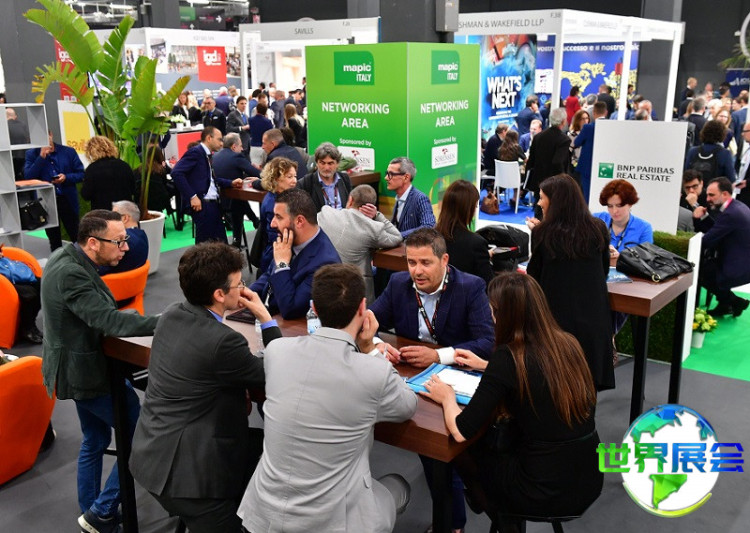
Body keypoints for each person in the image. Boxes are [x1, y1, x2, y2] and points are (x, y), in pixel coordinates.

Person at [238, 263, 416, 532]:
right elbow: (407, 406)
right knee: (398, 486)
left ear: (314, 309)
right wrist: (370, 348)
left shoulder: (277, 352)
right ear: (363, 308)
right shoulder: (374, 371)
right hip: (332, 522)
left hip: (262, 515)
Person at [421, 272, 602, 522]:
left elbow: (461, 431)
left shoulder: (508, 357)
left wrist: (447, 397)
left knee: (461, 451)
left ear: (503, 315)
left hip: (541, 490)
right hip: (589, 478)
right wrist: (487, 366)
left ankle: (495, 512)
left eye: (493, 312)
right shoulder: (568, 344)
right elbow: (539, 371)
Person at [130, 242, 280, 533]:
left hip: (151, 456)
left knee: (257, 446)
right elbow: (274, 372)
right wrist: (265, 318)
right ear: (219, 294)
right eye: (239, 284)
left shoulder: (171, 314)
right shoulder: (224, 342)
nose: (243, 289)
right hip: (190, 479)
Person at [40, 210, 159, 533]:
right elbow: (108, 321)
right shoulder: (71, 273)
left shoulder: (67, 257)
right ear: (93, 243)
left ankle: (91, 514)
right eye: (119, 242)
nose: (126, 247)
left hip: (78, 367)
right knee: (142, 437)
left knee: (95, 438)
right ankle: (102, 511)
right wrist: (167, 321)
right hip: (85, 372)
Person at [369, 227, 494, 533]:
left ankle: (453, 522)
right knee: (431, 450)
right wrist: (378, 344)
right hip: (412, 381)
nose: (417, 271)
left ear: (444, 261)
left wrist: (439, 356)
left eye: (425, 262)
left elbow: (487, 343)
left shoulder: (470, 287)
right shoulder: (398, 283)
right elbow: (369, 320)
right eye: (411, 262)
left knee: (443, 453)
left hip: (456, 380)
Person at [526, 174, 614, 391]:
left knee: (555, 388)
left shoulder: (542, 233)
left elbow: (533, 278)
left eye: (542, 197)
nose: (539, 203)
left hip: (555, 325)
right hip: (594, 322)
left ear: (556, 201)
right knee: (588, 387)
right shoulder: (598, 228)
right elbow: (603, 270)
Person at [250, 188, 341, 319]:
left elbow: (291, 309)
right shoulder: (290, 241)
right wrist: (247, 294)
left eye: (279, 217)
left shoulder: (325, 263)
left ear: (299, 221)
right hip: (266, 316)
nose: (272, 224)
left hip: (291, 326)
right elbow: (269, 276)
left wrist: (282, 264)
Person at [318, 184, 402, 303]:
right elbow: (397, 237)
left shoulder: (326, 213)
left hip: (324, 283)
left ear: (350, 199)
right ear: (371, 207)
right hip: (356, 291)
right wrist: (377, 215)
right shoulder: (373, 228)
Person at [171, 126, 243, 244]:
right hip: (204, 206)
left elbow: (210, 180)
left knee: (220, 245)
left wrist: (230, 183)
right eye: (219, 139)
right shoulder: (196, 152)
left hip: (213, 206)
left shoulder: (206, 155)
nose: (222, 143)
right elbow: (176, 173)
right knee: (206, 247)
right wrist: (192, 196)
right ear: (209, 138)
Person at [693, 177, 750, 317]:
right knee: (707, 269)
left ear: (725, 194)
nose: (707, 199)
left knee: (701, 272)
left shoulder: (731, 214)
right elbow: (717, 230)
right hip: (739, 259)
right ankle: (729, 304)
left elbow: (707, 241)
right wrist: (704, 217)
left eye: (711, 195)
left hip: (739, 266)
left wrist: (695, 215)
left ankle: (734, 302)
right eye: (707, 195)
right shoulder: (736, 206)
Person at [24, 131, 85, 251]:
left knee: (76, 235)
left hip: (67, 199)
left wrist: (66, 177)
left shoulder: (68, 152)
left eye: (45, 137)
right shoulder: (32, 154)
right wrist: (41, 157)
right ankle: (58, 261)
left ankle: (81, 260)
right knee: (54, 239)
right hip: (46, 201)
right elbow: (29, 177)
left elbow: (81, 174)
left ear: (51, 135)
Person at [435, 180, 493, 285]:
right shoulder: (476, 243)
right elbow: (488, 283)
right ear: (468, 209)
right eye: (475, 206)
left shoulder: (431, 236)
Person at [211, 132, 261, 247]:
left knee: (240, 201)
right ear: (234, 146)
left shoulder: (215, 156)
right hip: (232, 201)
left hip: (218, 199)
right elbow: (255, 173)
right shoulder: (236, 157)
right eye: (241, 146)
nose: (242, 149)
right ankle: (252, 226)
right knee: (239, 201)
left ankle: (243, 233)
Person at [526, 108, 571, 218]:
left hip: (538, 180)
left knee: (539, 211)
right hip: (554, 184)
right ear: (563, 121)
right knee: (554, 214)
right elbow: (558, 162)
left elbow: (531, 161)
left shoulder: (538, 137)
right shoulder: (564, 139)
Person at [257, 156, 299, 273]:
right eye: (289, 177)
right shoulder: (273, 205)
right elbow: (276, 238)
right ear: (276, 179)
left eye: (295, 176)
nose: (294, 181)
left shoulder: (282, 197)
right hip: (276, 257)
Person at [593, 179, 653, 259]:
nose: (614, 211)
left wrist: (621, 258)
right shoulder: (596, 219)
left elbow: (646, 260)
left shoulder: (644, 228)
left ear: (630, 204)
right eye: (610, 206)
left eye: (619, 206)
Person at [0, 243, 42, 344]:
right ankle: (26, 329)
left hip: (9, 275)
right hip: (3, 282)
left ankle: (31, 324)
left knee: (41, 284)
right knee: (29, 293)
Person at [81, 136, 135, 211]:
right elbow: (133, 189)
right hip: (124, 211)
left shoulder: (91, 169)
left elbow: (86, 195)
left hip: (103, 212)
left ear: (90, 151)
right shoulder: (124, 165)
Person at [386, 156, 436, 237]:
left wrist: (400, 236)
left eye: (391, 174)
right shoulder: (399, 198)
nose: (386, 178)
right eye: (387, 174)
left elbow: (428, 226)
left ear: (406, 177)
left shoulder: (420, 198)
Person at [296, 142, 352, 211]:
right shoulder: (306, 183)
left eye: (330, 163)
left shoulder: (345, 179)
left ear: (337, 164)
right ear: (317, 163)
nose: (326, 168)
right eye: (322, 163)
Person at [101, 200, 149, 275]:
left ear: (125, 218)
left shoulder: (122, 241)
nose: (110, 219)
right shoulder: (142, 235)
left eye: (114, 216)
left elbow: (101, 269)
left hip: (112, 280)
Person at [574, 101, 608, 202]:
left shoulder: (588, 127)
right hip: (606, 167)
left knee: (587, 196)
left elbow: (577, 142)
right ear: (606, 112)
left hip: (587, 166)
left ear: (594, 113)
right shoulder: (611, 127)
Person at [248, 102, 274, 166]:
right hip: (264, 146)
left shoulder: (251, 120)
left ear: (257, 110)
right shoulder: (268, 122)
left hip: (254, 145)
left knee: (254, 165)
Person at [567, 109, 590, 174]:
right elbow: (569, 152)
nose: (585, 121)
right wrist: (574, 163)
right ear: (578, 120)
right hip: (576, 167)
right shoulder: (572, 135)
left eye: (587, 118)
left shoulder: (590, 134)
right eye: (583, 119)